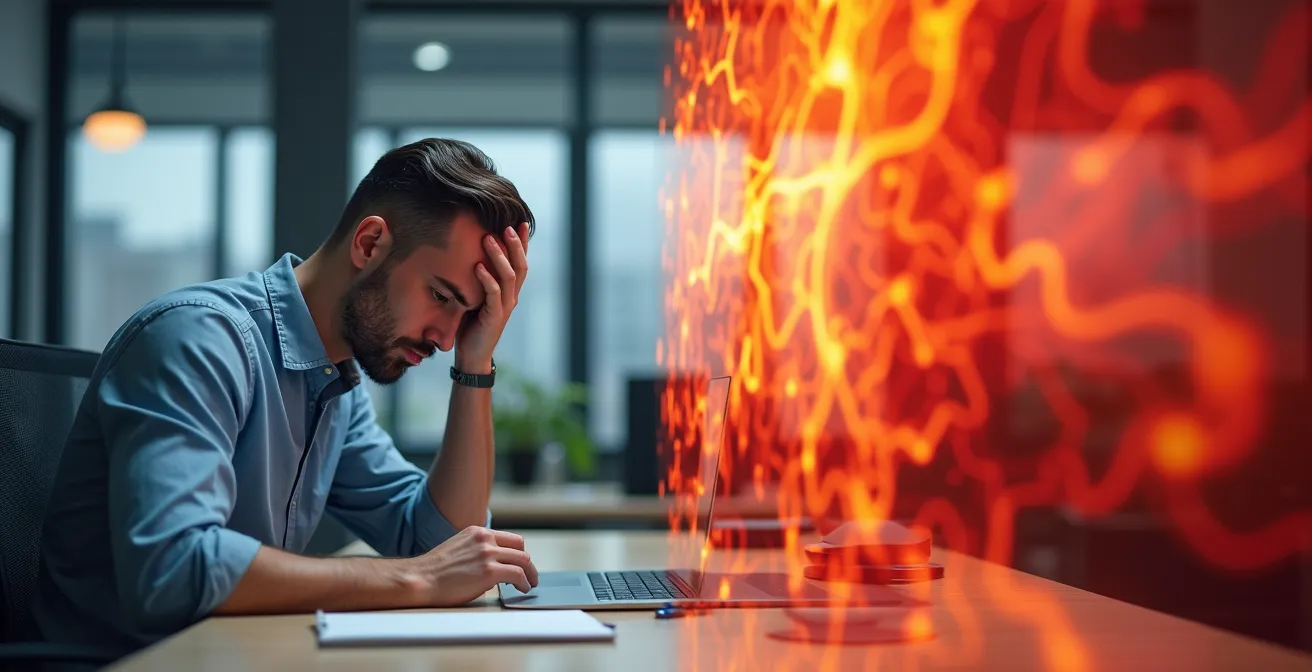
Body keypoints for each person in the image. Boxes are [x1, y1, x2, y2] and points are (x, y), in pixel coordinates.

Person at [33, 138, 541, 657]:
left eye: (468, 316)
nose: (445, 337)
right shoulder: (200, 339)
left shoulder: (335, 381)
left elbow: (438, 545)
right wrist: (412, 580)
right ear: (369, 244)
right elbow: (174, 568)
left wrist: (475, 364)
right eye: (441, 296)